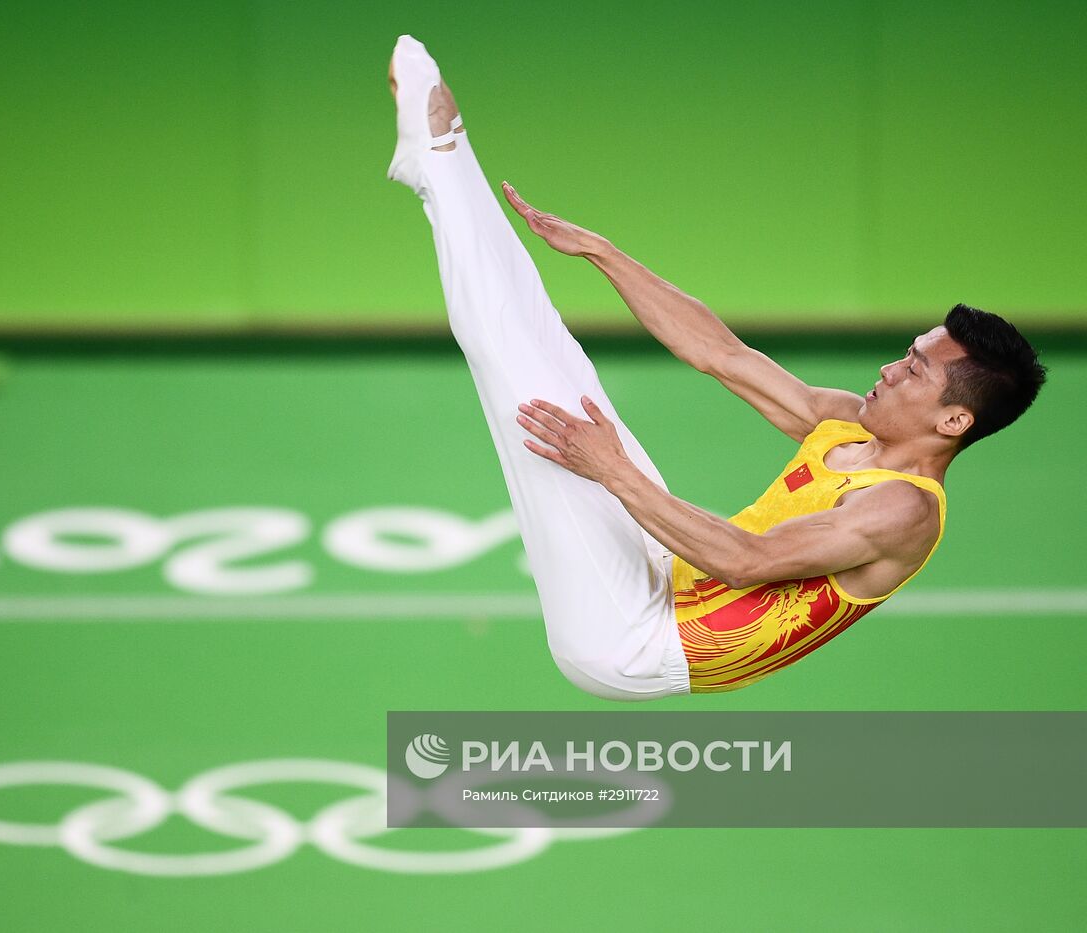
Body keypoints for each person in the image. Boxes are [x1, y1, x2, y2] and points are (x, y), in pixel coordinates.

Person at [386, 35, 1047, 699]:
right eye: (905, 354)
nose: (888, 369)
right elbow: (720, 353)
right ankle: (443, 149)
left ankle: (438, 163)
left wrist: (612, 469)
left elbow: (745, 560)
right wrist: (602, 252)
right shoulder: (850, 423)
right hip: (666, 570)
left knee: (529, 394)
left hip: (635, 642)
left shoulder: (906, 511)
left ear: (954, 417)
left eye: (913, 371)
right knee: (556, 360)